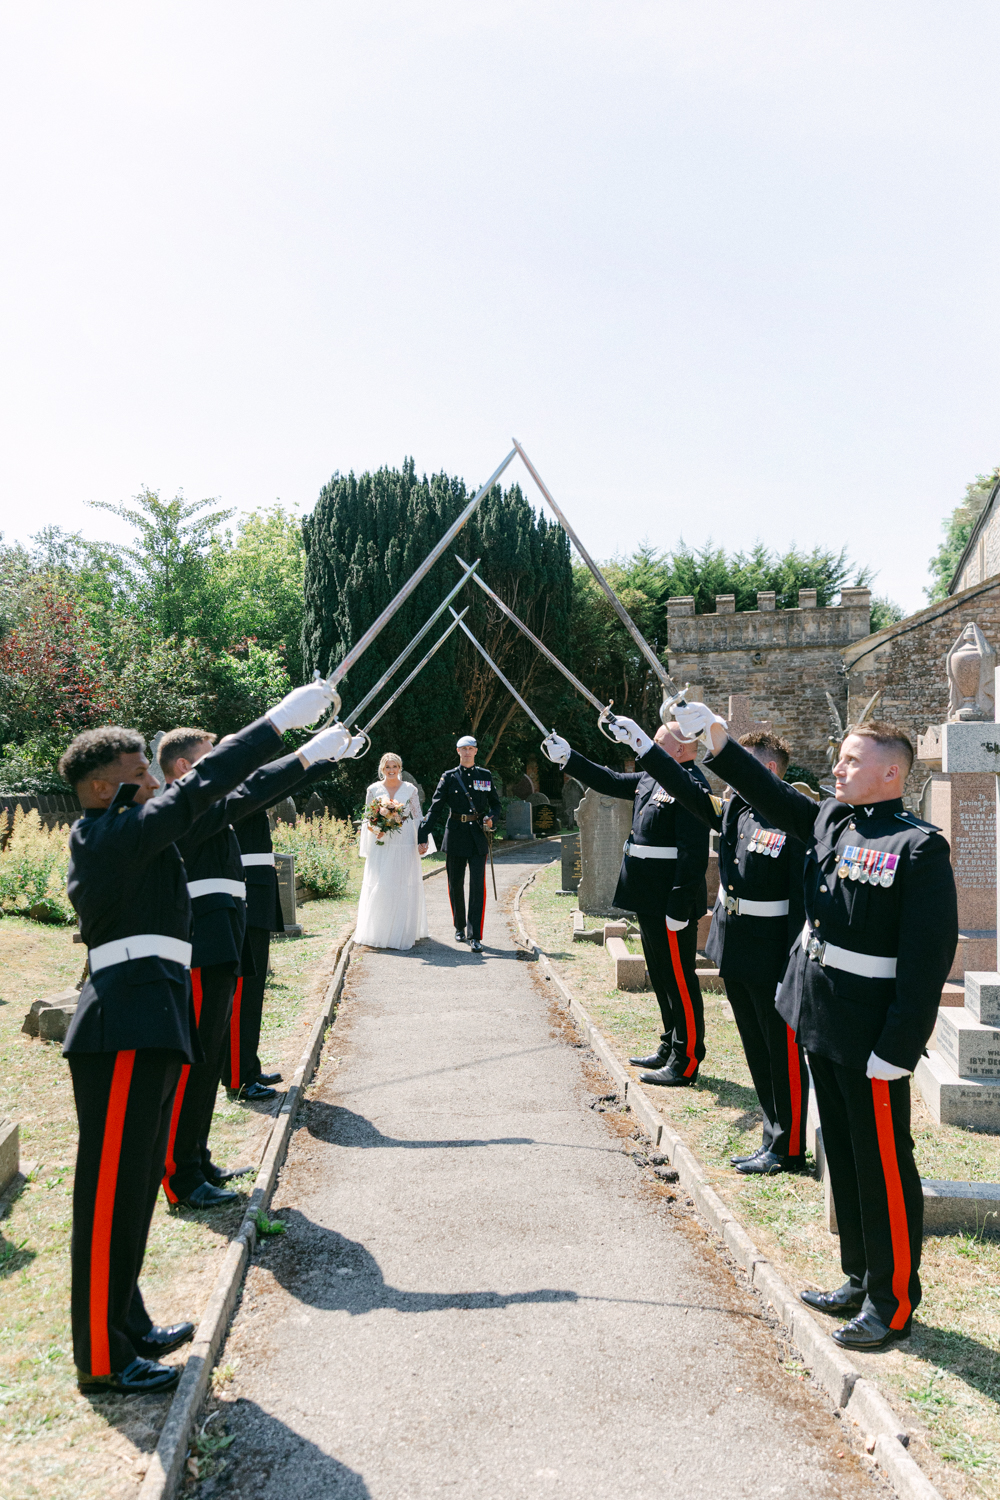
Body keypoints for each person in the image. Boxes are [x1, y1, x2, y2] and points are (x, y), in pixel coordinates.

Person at [59, 680, 346, 1394]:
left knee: (133, 1191)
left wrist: (305, 754)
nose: (158, 785)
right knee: (108, 1198)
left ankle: (127, 1323)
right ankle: (100, 1354)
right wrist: (280, 722)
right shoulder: (106, 836)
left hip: (150, 1017)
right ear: (102, 788)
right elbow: (208, 785)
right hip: (122, 1023)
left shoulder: (133, 835)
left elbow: (217, 795)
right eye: (142, 776)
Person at [671, 700, 958, 1351]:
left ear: (890, 774)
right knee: (849, 1159)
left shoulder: (918, 848)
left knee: (885, 1164)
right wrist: (717, 743)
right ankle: (858, 1275)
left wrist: (899, 1047)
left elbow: (926, 961)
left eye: (852, 760)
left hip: (873, 1040)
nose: (838, 767)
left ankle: (891, 1302)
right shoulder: (832, 822)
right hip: (821, 1021)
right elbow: (769, 795)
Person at [157, 729, 358, 1207]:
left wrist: (320, 755)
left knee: (207, 1064)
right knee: (195, 1063)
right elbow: (258, 786)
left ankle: (196, 1160)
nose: (224, 771)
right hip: (202, 945)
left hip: (222, 935)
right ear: (185, 770)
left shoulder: (205, 804)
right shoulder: (186, 806)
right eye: (213, 761)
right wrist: (309, 751)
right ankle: (178, 1175)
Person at [603, 719, 808, 1174]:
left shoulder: (796, 817)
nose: (733, 777)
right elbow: (686, 789)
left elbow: (801, 902)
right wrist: (643, 745)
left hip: (775, 950)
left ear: (770, 770)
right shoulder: (736, 810)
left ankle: (789, 1146)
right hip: (736, 947)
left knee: (782, 1051)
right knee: (756, 1046)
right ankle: (773, 1138)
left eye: (743, 767)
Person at [542, 722, 710, 1085]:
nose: (643, 750)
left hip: (670, 900)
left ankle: (688, 1058)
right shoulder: (652, 778)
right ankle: (670, 1044)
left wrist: (679, 905)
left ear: (680, 750)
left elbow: (694, 853)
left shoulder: (692, 785)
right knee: (663, 977)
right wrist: (569, 757)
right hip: (647, 895)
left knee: (680, 979)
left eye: (656, 743)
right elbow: (610, 781)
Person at [418, 735, 502, 952]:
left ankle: (475, 936)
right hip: (455, 834)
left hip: (477, 836)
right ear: (457, 751)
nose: (466, 752)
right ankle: (459, 926)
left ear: (476, 751)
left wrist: (491, 817)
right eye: (462, 749)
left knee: (477, 887)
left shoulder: (485, 775)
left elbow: (496, 804)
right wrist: (422, 834)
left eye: (470, 749)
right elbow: (435, 808)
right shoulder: (449, 777)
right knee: (455, 884)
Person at [355, 752, 430, 949]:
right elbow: (368, 817)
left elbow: (418, 816)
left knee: (403, 883)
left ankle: (403, 931)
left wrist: (422, 842)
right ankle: (380, 930)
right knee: (382, 882)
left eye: (394, 767)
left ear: (400, 768)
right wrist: (376, 829)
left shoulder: (409, 789)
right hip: (382, 842)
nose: (391, 770)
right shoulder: (373, 789)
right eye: (387, 767)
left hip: (405, 841)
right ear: (382, 769)